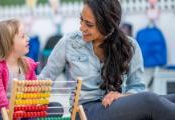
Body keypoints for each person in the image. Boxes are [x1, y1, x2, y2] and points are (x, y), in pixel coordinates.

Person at [38, 0, 175, 120]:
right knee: (150, 100)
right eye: (81, 20)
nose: (81, 27)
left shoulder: (130, 46)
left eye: (89, 24)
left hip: (115, 106)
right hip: (85, 111)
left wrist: (122, 96)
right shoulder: (69, 42)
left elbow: (137, 87)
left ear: (108, 25)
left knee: (169, 98)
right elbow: (45, 78)